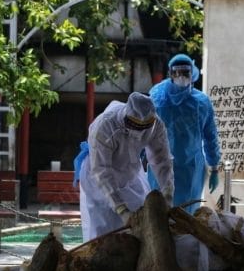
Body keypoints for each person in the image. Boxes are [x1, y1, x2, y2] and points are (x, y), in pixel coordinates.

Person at [75, 92, 174, 241]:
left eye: (145, 126)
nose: (140, 130)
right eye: (135, 124)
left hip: (130, 171)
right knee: (104, 232)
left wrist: (167, 194)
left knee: (141, 219)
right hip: (98, 176)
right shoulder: (105, 126)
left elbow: (162, 161)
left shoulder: (156, 125)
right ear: (127, 118)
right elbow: (102, 171)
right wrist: (121, 209)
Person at [148, 54, 221, 214]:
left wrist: (214, 166)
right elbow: (145, 131)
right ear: (170, 73)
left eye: (185, 72)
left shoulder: (201, 102)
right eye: (176, 72)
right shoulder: (157, 98)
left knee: (185, 216)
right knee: (160, 214)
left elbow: (210, 136)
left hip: (190, 168)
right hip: (160, 163)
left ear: (192, 74)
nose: (181, 76)